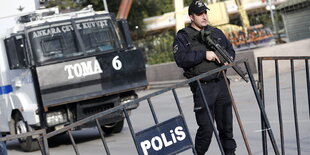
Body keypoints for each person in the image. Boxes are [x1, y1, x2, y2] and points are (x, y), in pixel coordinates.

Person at [172, 0, 237, 154]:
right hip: (203, 87)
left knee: (226, 128)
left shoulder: (215, 32)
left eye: (205, 13)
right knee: (206, 130)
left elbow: (230, 50)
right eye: (199, 14)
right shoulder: (183, 36)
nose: (204, 16)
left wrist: (228, 58)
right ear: (191, 17)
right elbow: (180, 59)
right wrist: (203, 54)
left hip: (222, 84)